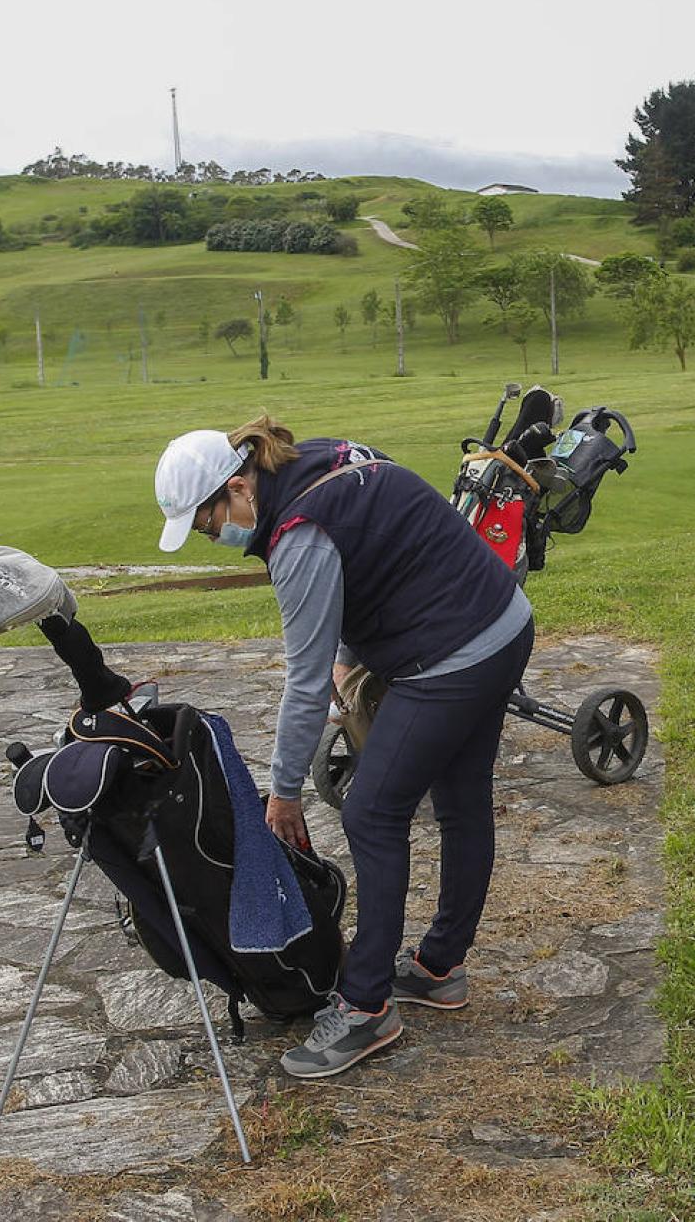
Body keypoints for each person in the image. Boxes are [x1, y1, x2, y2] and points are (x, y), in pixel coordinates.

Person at [155, 416, 534, 1078]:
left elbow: (302, 688)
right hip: (503, 619)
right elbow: (384, 547)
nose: (215, 539)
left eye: (209, 525)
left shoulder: (297, 535)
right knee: (461, 797)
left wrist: (285, 791)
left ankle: (365, 1008)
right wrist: (349, 654)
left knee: (371, 813)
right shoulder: (323, 458)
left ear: (238, 489)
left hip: (454, 652)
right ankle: (440, 967)